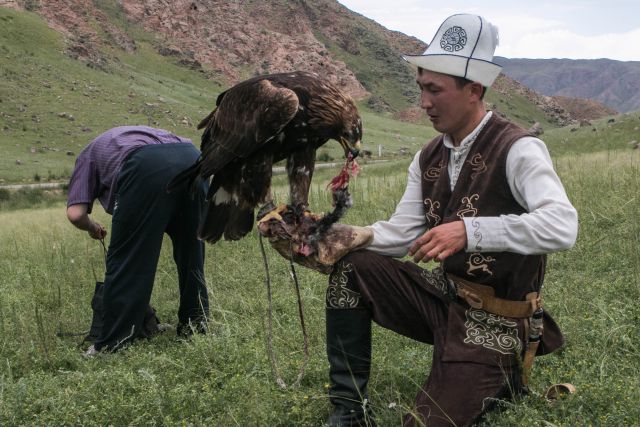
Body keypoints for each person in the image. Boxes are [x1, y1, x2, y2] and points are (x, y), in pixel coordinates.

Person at [323, 14, 579, 427]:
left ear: (474, 90)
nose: (423, 102)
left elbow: (562, 226)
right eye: (421, 88)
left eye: (434, 90)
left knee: (426, 422)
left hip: (497, 318)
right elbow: (402, 231)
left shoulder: (519, 149)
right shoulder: (427, 157)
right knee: (352, 267)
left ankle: (499, 373)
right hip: (442, 300)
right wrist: (342, 237)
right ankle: (348, 411)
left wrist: (470, 230)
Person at [66, 125, 209, 354]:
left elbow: (76, 214)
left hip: (145, 166)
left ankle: (112, 343)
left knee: (127, 261)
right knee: (192, 254)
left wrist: (92, 227)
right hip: (193, 158)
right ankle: (195, 325)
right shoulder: (128, 136)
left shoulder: (87, 156)